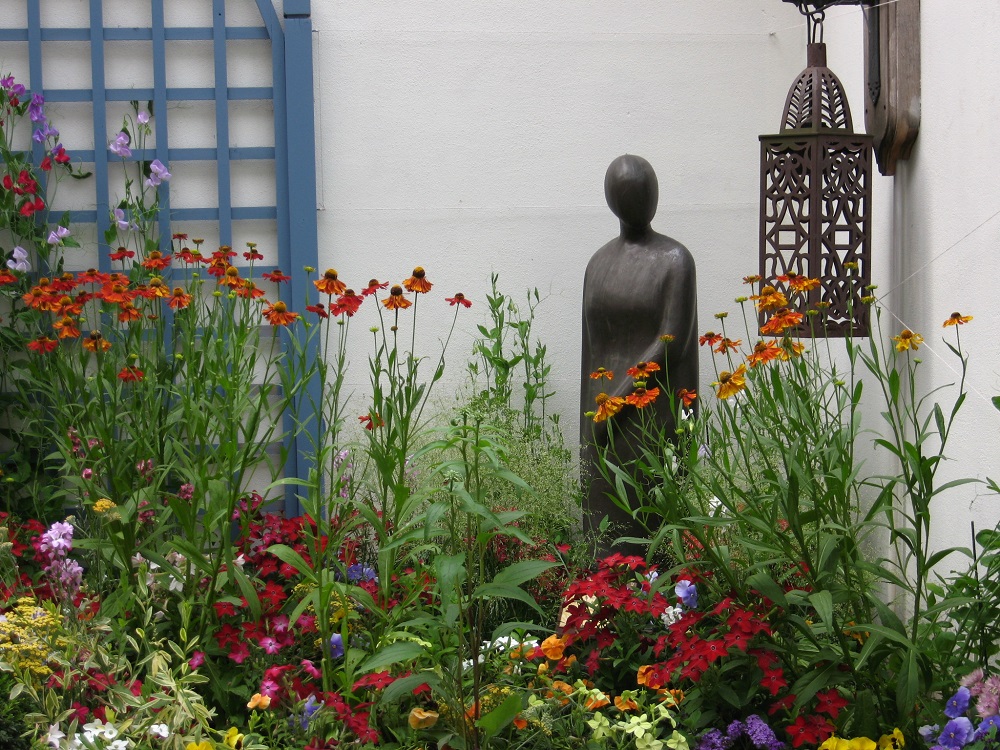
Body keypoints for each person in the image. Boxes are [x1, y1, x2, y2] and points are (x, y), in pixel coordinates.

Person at [580, 154, 698, 554]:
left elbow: (672, 340)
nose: (643, 200)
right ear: (614, 202)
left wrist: (618, 402)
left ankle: (663, 612)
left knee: (653, 525)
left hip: (651, 411)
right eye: (632, 193)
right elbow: (589, 348)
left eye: (648, 190)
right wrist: (591, 419)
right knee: (605, 531)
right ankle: (603, 607)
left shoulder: (674, 260)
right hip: (603, 420)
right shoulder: (597, 264)